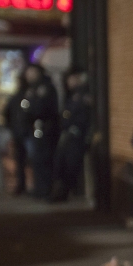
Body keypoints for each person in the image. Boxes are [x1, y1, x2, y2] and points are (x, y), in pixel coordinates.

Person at [3, 63, 59, 197]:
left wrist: (29, 113)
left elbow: (39, 109)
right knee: (34, 160)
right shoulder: (27, 92)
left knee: (41, 160)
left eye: (31, 72)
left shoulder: (44, 89)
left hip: (41, 130)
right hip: (28, 131)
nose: (29, 76)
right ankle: (39, 188)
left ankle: (44, 189)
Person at [50, 67, 93, 202]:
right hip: (68, 134)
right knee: (60, 163)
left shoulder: (83, 95)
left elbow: (84, 117)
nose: (69, 82)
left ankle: (66, 192)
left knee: (70, 165)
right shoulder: (71, 95)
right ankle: (59, 192)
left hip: (77, 135)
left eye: (71, 78)